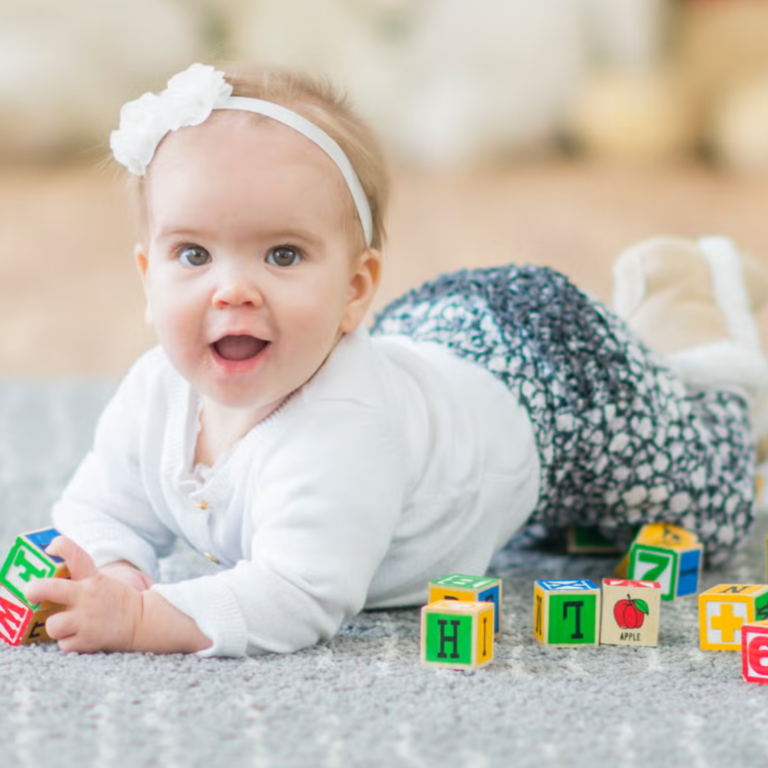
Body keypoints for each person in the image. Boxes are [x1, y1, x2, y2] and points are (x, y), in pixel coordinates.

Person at [25, 63, 768, 657]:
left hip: (556, 383)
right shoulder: (154, 388)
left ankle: (697, 325)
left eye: (283, 254)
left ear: (354, 291)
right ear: (146, 278)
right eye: (193, 254)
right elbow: (101, 508)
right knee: (571, 533)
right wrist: (110, 575)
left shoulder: (343, 425)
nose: (233, 289)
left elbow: (296, 596)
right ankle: (658, 345)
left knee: (708, 503)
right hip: (441, 345)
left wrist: (139, 619)